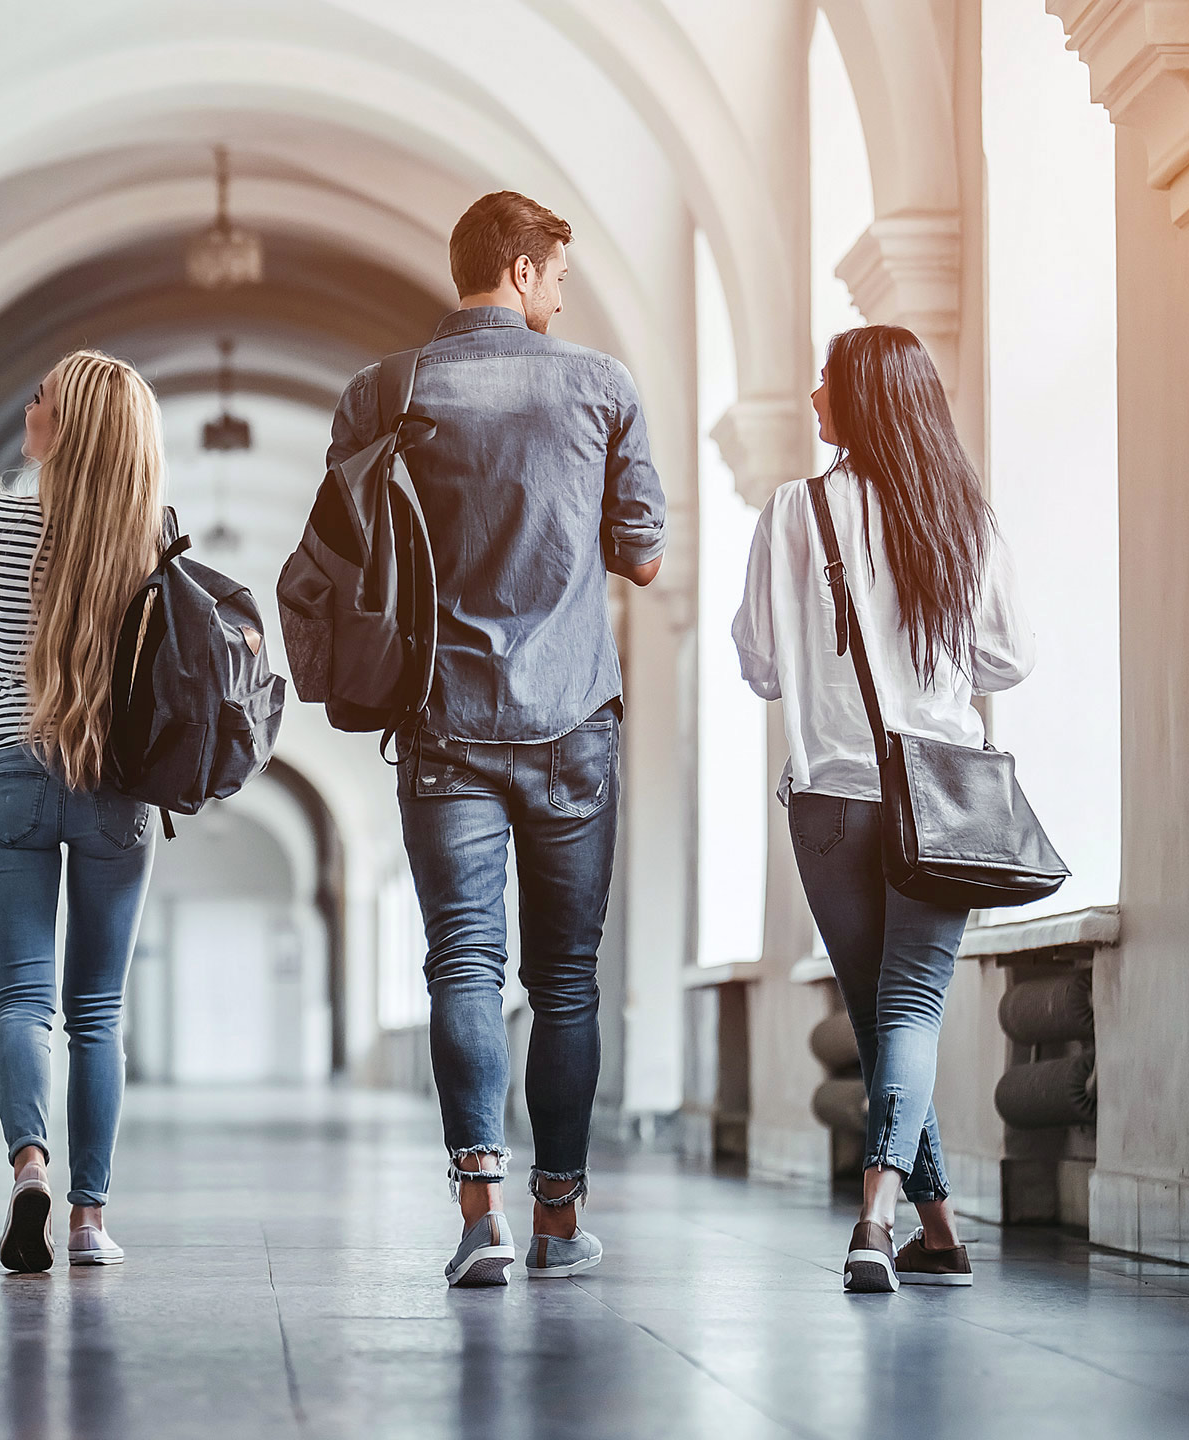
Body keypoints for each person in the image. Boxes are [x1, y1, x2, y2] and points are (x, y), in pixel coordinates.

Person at [326, 192, 667, 1287]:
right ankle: (559, 1221)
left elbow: (346, 553)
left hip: (442, 723)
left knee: (460, 964)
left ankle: (481, 1215)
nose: (562, 298)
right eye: (557, 277)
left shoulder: (382, 392)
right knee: (565, 980)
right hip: (572, 724)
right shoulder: (600, 385)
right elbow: (644, 556)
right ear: (519, 272)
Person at [732, 324, 1033, 1294]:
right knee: (900, 1015)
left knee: (879, 1018)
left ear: (861, 399)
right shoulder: (961, 517)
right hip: (939, 800)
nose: (813, 395)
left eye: (825, 380)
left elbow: (761, 666)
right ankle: (908, 1225)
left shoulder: (792, 512)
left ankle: (898, 1223)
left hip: (827, 801)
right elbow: (1007, 661)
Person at [0, 350, 165, 1273]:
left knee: (22, 1002)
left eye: (38, 396)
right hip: (115, 786)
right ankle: (88, 1221)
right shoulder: (151, 532)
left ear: (66, 426)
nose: (26, 405)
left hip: (13, 770)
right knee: (97, 1014)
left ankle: (29, 1169)